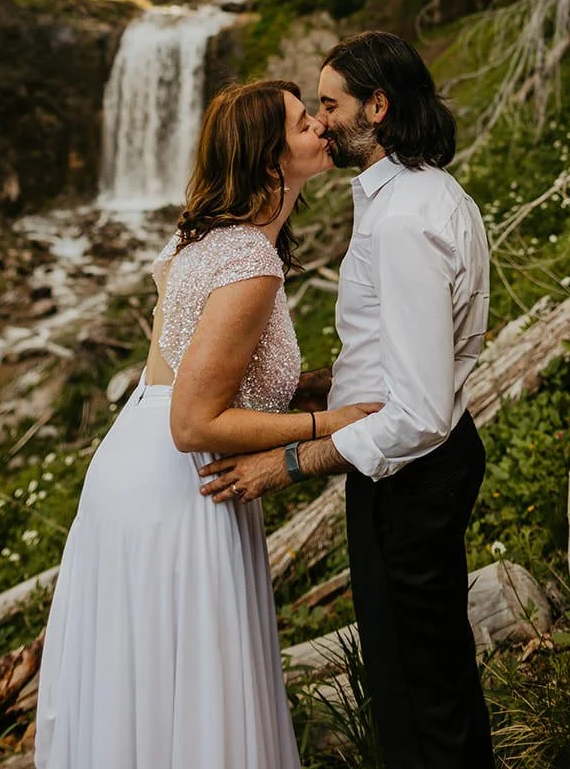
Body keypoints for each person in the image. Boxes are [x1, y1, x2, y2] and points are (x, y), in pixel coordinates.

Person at [34, 78, 378, 769]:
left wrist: (310, 387)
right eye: (300, 120)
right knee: (187, 687)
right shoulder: (247, 261)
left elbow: (202, 373)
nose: (319, 124)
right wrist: (330, 424)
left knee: (150, 690)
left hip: (135, 464)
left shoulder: (209, 241)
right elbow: (194, 422)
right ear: (266, 157)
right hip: (178, 485)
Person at [201, 32, 494, 769]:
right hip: (422, 465)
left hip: (411, 476)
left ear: (379, 107)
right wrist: (328, 385)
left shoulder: (400, 223)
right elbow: (407, 350)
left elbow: (420, 411)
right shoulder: (419, 194)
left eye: (328, 105)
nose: (321, 121)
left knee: (413, 690)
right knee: (431, 674)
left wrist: (290, 462)